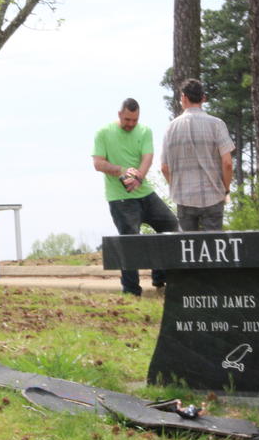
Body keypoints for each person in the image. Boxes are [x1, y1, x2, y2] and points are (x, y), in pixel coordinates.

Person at [93, 98, 179, 296]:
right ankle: (131, 291)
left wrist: (138, 176)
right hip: (120, 198)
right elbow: (98, 163)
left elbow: (147, 157)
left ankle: (161, 277)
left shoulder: (145, 131)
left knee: (170, 225)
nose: (131, 124)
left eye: (134, 120)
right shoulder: (103, 133)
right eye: (127, 120)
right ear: (119, 115)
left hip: (145, 192)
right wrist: (121, 171)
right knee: (131, 240)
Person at [160, 78, 234, 231]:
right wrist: (225, 189)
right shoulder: (217, 124)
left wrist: (177, 186)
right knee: (214, 248)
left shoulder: (170, 128)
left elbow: (165, 168)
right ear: (203, 98)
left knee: (188, 250)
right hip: (213, 195)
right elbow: (227, 163)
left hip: (184, 198)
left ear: (184, 98)